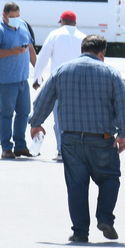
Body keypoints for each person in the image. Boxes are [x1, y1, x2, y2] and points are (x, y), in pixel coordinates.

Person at [30, 35, 125, 243]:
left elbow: (43, 99)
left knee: (76, 184)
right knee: (109, 178)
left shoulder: (62, 71)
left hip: (70, 139)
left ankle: (80, 231)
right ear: (102, 52)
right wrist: (122, 133)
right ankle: (105, 218)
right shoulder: (111, 73)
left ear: (82, 49)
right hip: (102, 139)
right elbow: (122, 104)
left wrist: (36, 122)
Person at [0, 1, 37, 159]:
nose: (16, 19)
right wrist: (11, 52)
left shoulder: (23, 26)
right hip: (5, 80)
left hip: (22, 79)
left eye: (18, 16)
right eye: (12, 17)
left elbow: (30, 48)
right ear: (4, 15)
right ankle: (6, 147)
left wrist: (37, 70)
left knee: (24, 113)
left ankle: (20, 146)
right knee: (7, 114)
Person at [32, 10, 85, 160]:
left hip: (60, 84)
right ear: (75, 23)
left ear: (61, 21)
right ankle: (77, 150)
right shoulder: (83, 37)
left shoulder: (54, 35)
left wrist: (37, 78)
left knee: (59, 119)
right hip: (80, 84)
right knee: (78, 118)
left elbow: (43, 58)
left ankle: (62, 151)